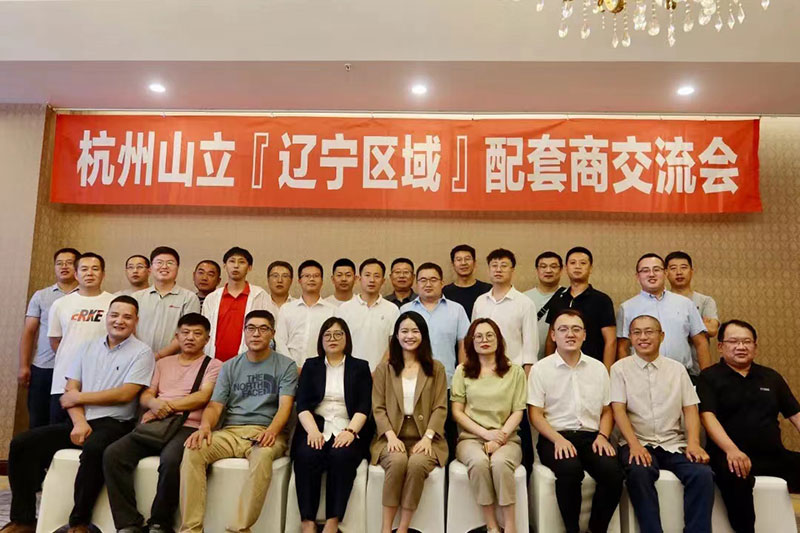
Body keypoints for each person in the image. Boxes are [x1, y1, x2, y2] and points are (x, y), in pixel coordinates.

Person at [3, 296, 154, 533]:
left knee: (94, 450)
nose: (119, 321)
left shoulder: (143, 352)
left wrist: (80, 398)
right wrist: (80, 422)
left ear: (136, 321)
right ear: (107, 317)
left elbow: (126, 394)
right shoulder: (87, 347)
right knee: (22, 444)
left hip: (115, 423)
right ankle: (23, 520)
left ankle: (79, 522)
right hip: (79, 421)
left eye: (127, 317)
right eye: (114, 315)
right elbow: (69, 391)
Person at [179, 310, 298, 533]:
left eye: (263, 329)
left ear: (272, 333)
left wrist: (272, 431)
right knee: (193, 449)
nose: (256, 334)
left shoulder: (286, 365)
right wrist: (205, 427)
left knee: (262, 456)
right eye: (251, 328)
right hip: (230, 432)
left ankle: (239, 528)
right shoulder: (230, 366)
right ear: (244, 332)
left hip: (265, 432)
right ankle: (191, 529)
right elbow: (215, 405)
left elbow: (285, 406)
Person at [103, 313, 222, 533]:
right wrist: (154, 404)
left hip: (188, 426)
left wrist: (166, 406)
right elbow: (146, 395)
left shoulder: (214, 365)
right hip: (156, 423)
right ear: (177, 336)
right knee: (113, 454)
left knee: (171, 460)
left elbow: (203, 396)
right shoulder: (162, 363)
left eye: (197, 334)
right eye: (185, 332)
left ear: (207, 339)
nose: (190, 338)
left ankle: (159, 523)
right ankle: (128, 523)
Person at [610, 314, 714, 533]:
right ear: (630, 337)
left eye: (649, 332)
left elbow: (690, 408)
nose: (643, 337)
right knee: (639, 473)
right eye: (637, 332)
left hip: (673, 442)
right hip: (637, 442)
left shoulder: (677, 369)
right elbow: (618, 410)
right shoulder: (619, 369)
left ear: (662, 336)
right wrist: (634, 445)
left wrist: (693, 443)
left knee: (702, 474)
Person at [699, 319, 800, 533]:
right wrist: (731, 450)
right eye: (734, 341)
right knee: (736, 477)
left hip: (772, 455)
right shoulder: (709, 377)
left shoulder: (771, 377)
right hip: (728, 456)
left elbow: (796, 415)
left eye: (747, 342)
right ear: (720, 346)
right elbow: (707, 417)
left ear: (755, 346)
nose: (741, 347)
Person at [528, 309, 623, 533]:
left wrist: (603, 436)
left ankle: (596, 529)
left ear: (584, 335)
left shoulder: (598, 368)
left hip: (592, 437)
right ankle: (572, 530)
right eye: (563, 329)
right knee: (570, 470)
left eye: (576, 329)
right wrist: (558, 440)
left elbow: (607, 411)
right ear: (553, 335)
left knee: (613, 473)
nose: (570, 334)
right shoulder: (541, 369)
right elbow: (535, 414)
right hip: (555, 437)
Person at [292, 317, 372, 533]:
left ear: (347, 338)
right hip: (315, 425)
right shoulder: (311, 365)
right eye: (327, 335)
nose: (332, 338)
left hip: (348, 425)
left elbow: (364, 406)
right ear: (321, 340)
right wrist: (312, 431)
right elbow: (302, 404)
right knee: (307, 454)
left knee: (341, 456)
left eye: (338, 334)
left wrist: (351, 431)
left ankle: (332, 521)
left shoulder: (360, 367)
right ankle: (307, 522)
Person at [371, 311, 448, 533]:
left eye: (415, 331)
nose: (409, 336)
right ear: (396, 335)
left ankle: (403, 528)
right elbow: (378, 407)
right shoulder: (384, 369)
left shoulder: (436, 368)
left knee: (416, 464)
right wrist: (390, 436)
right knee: (396, 461)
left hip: (427, 437)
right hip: (391, 436)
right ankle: (386, 528)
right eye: (404, 331)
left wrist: (428, 438)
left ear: (423, 335)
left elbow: (440, 407)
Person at [451, 318, 527, 533]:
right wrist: (486, 434)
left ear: (498, 339)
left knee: (501, 463)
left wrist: (499, 437)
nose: (484, 340)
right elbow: (457, 412)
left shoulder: (515, 372)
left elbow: (518, 411)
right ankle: (492, 525)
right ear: (471, 342)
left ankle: (510, 526)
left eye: (489, 335)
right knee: (479, 462)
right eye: (478, 336)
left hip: (507, 438)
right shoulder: (462, 371)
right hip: (471, 439)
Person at [471, 248, 538, 475]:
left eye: (504, 265)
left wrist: (526, 379)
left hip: (513, 375)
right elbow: (473, 339)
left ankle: (524, 475)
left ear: (513, 270)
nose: (498, 270)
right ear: (488, 270)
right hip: (482, 374)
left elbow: (530, 346)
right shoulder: (480, 301)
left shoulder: (524, 303)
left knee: (518, 428)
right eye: (494, 265)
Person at [48, 252, 115, 423]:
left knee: (94, 432)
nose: (89, 273)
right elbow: (55, 341)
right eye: (84, 269)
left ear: (103, 274)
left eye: (95, 269)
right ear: (76, 274)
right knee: (58, 432)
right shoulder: (60, 304)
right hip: (63, 381)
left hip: (101, 383)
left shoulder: (114, 303)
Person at [617, 253, 710, 376]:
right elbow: (623, 348)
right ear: (637, 276)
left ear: (665, 273)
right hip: (641, 375)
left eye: (656, 270)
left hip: (680, 374)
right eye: (645, 270)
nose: (651, 274)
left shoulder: (685, 303)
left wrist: (707, 378)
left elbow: (701, 342)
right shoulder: (627, 307)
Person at [18, 247, 79, 428]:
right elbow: (29, 331)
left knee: (65, 422)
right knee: (38, 419)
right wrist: (23, 365)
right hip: (44, 366)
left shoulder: (87, 297)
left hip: (75, 369)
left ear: (77, 267)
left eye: (69, 263)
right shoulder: (41, 296)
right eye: (59, 263)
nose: (64, 267)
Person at [545, 246, 616, 369]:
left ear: (590, 268)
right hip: (560, 367)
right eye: (573, 263)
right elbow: (550, 340)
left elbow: (611, 341)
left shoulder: (602, 300)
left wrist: (606, 372)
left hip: (592, 367)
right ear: (566, 268)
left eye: (583, 263)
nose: (577, 266)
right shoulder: (558, 299)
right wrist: (549, 367)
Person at [201, 246, 269, 361]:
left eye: (241, 262)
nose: (236, 266)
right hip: (214, 361)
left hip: (250, 361)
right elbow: (203, 331)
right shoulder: (212, 298)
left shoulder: (260, 296)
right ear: (224, 266)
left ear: (249, 268)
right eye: (232, 261)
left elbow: (269, 330)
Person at [133, 246, 200, 359]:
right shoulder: (137, 297)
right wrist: (142, 356)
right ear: (150, 268)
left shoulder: (189, 298)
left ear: (177, 268)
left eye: (170, 263)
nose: (164, 266)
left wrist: (158, 356)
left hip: (174, 361)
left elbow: (188, 333)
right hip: (138, 358)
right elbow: (130, 329)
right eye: (159, 262)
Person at [336, 258, 399, 371]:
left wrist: (379, 371)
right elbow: (339, 343)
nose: (372, 280)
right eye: (367, 275)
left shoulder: (392, 309)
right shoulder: (344, 309)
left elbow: (394, 345)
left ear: (383, 281)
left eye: (376, 276)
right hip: (350, 372)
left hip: (382, 372)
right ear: (359, 279)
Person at [276, 260, 336, 369]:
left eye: (316, 276)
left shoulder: (332, 311)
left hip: (322, 369)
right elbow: (280, 341)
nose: (311, 279)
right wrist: (292, 367)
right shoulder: (287, 309)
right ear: (299, 280)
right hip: (289, 370)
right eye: (307, 276)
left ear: (322, 281)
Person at [665, 250, 720, 367]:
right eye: (673, 268)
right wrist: (699, 324)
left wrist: (675, 326)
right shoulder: (662, 301)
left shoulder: (705, 301)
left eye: (684, 267)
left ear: (691, 271)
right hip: (670, 366)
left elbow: (712, 329)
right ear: (666, 273)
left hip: (698, 366)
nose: (679, 272)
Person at [523, 251, 566, 360]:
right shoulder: (524, 298)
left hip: (560, 359)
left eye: (553, 266)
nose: (548, 270)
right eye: (543, 266)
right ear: (537, 270)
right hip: (529, 359)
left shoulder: (568, 296)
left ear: (561, 270)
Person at [443, 244, 492, 319]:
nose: (463, 263)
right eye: (459, 260)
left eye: (467, 259)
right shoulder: (445, 292)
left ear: (474, 263)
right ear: (453, 264)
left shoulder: (488, 290)